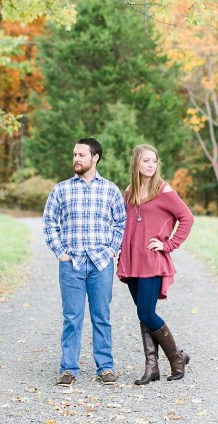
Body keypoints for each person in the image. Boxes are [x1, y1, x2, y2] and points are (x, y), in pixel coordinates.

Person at [43, 137, 127, 387]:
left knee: (102, 316)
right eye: (74, 155)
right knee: (72, 317)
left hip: (101, 264)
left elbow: (121, 223)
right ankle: (68, 368)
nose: (76, 159)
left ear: (95, 158)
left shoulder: (110, 189)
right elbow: (49, 222)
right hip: (72, 264)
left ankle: (106, 367)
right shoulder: (61, 189)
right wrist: (60, 252)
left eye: (81, 155)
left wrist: (113, 249)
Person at [117, 144, 195, 383]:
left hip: (151, 261)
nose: (151, 165)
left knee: (146, 312)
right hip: (131, 261)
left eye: (154, 161)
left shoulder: (164, 190)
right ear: (136, 164)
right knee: (143, 315)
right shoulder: (129, 192)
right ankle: (152, 368)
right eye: (146, 161)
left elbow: (187, 218)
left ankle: (177, 357)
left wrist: (168, 244)